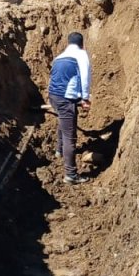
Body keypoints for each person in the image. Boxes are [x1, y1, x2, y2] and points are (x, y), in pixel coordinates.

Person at [48, 31, 91, 184]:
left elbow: (54, 77)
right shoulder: (81, 55)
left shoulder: (59, 57)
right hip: (65, 99)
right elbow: (85, 77)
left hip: (53, 96)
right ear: (82, 44)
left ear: (68, 43)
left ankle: (59, 150)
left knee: (62, 120)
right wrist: (85, 98)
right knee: (70, 136)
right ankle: (71, 175)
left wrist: (76, 98)